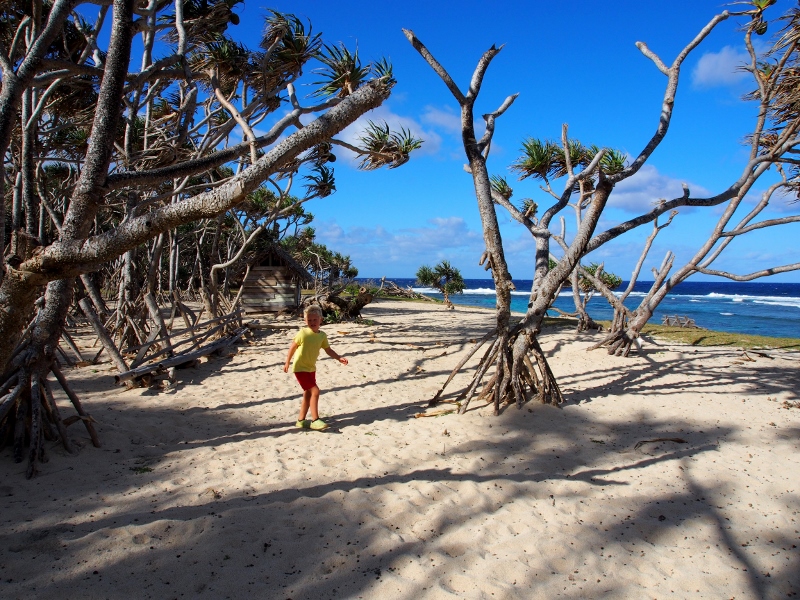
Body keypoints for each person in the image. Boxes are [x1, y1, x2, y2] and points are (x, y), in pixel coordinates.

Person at [283, 304, 348, 430]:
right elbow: (292, 347)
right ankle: (315, 420)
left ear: (320, 320)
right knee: (315, 391)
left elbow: (328, 350)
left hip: (311, 368)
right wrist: (287, 362)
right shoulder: (303, 333)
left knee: (308, 393)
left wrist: (339, 358)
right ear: (305, 320)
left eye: (315, 320)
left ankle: (300, 420)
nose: (312, 322)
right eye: (309, 320)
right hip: (300, 368)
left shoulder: (322, 335)